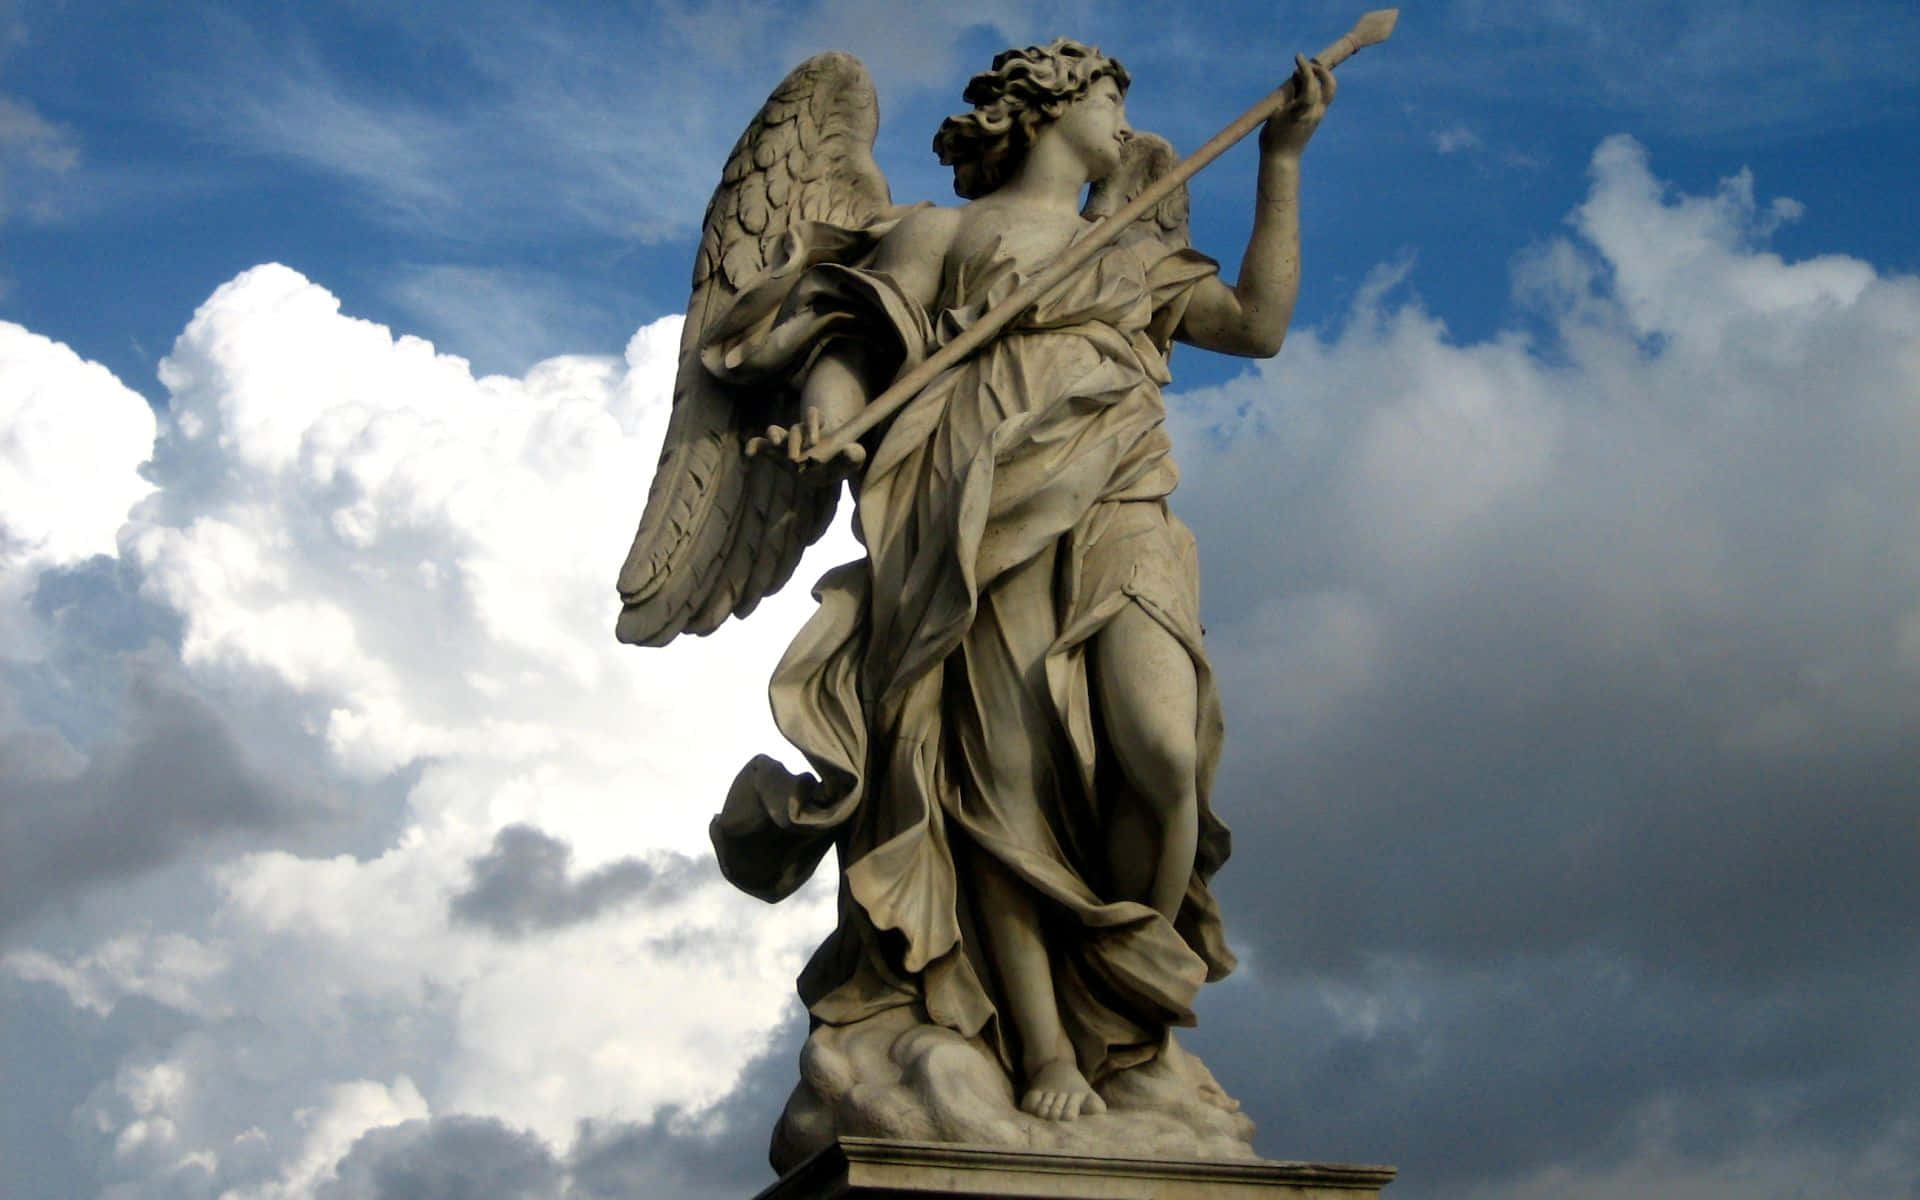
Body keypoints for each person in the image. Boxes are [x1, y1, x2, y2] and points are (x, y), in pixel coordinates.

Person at [705, 38, 1335, 1124]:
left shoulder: (1131, 251)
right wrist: (825, 418)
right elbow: (855, 342)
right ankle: (1045, 1047)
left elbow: (1259, 325)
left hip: (1120, 508)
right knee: (996, 779)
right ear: (1046, 111)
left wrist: (1281, 160)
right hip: (968, 510)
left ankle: (1128, 1001)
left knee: (1163, 754)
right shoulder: (943, 232)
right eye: (1109, 99)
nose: (1125, 125)